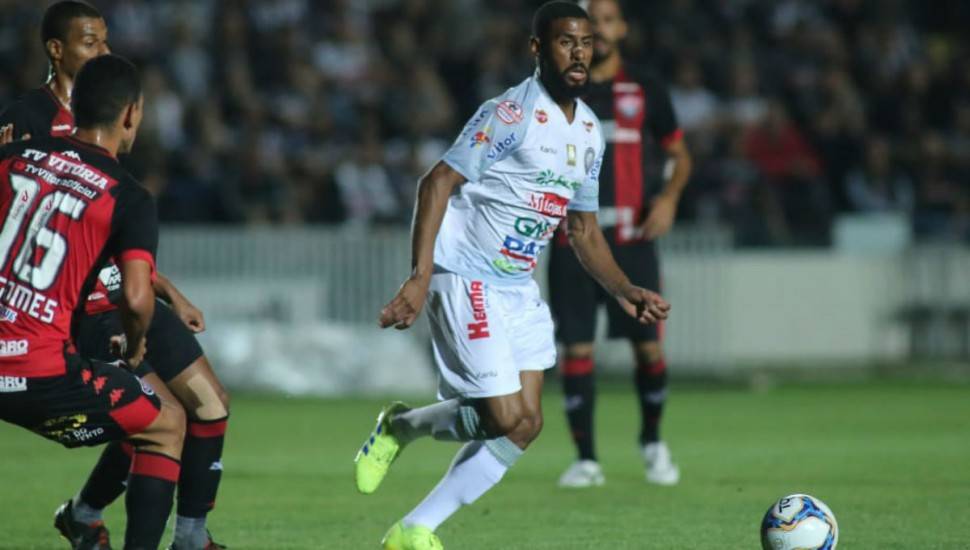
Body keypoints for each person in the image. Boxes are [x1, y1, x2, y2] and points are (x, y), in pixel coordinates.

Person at [353, 2, 670, 549]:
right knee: (501, 416)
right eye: (565, 42)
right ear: (537, 49)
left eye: (585, 42)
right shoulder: (511, 113)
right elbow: (436, 182)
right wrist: (419, 277)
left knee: (526, 424)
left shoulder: (589, 132)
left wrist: (624, 290)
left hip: (517, 286)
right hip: (464, 273)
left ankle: (413, 528)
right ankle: (400, 428)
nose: (579, 53)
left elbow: (582, 230)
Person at [0, 4, 229, 549]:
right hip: (76, 311)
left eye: (104, 42)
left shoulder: (68, 157)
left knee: (209, 405)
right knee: (157, 419)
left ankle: (187, 536)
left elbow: (112, 239)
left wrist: (169, 291)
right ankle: (92, 516)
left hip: (118, 291)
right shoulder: (27, 123)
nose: (101, 51)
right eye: (90, 42)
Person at [550, 0, 692, 489]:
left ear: (622, 28)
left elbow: (679, 154)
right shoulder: (558, 89)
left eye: (608, 21)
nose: (600, 31)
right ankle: (586, 459)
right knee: (576, 348)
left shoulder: (645, 88)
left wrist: (669, 198)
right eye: (591, 23)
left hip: (632, 240)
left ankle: (652, 442)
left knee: (648, 349)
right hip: (573, 241)